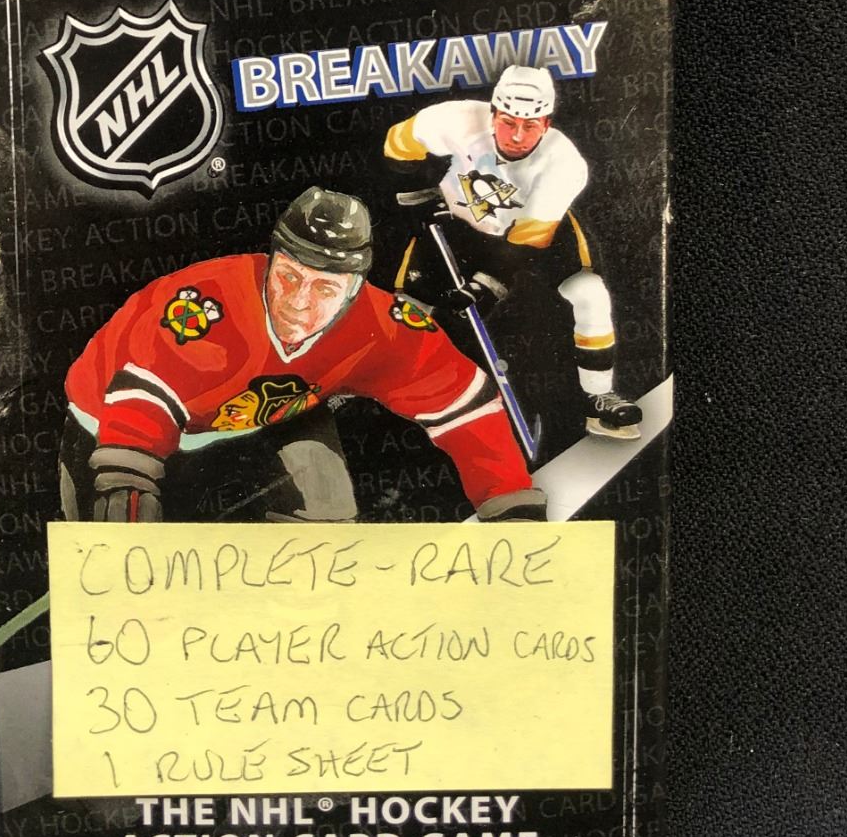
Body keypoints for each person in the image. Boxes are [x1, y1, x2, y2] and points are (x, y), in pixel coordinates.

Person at [61, 187, 542, 524]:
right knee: (117, 542)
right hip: (107, 420)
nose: (298, 302)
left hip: (272, 414)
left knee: (328, 515)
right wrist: (126, 478)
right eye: (288, 276)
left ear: (354, 289)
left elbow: (463, 407)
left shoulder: (384, 325)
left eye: (324, 288)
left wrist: (510, 501)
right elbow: (142, 396)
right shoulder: (206, 304)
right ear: (272, 261)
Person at [383, 68, 643, 439]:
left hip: (528, 234)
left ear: (546, 123)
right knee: (407, 309)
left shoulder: (564, 162)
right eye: (508, 123)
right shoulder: (454, 119)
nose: (517, 136)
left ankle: (598, 398)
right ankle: (392, 399)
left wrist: (486, 285)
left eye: (530, 125)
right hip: (458, 225)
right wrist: (418, 187)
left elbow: (527, 242)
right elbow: (397, 145)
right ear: (492, 114)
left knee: (589, 292)